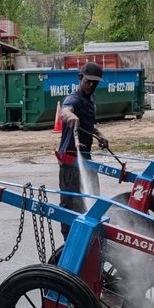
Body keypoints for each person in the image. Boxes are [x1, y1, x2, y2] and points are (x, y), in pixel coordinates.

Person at [55, 61, 109, 239]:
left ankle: (90, 239)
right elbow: (64, 111)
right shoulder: (73, 99)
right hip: (70, 160)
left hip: (86, 158)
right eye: (88, 81)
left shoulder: (90, 99)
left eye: (95, 82)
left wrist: (99, 134)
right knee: (70, 205)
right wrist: (70, 116)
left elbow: (89, 125)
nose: (92, 85)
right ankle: (68, 241)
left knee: (92, 200)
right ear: (80, 78)